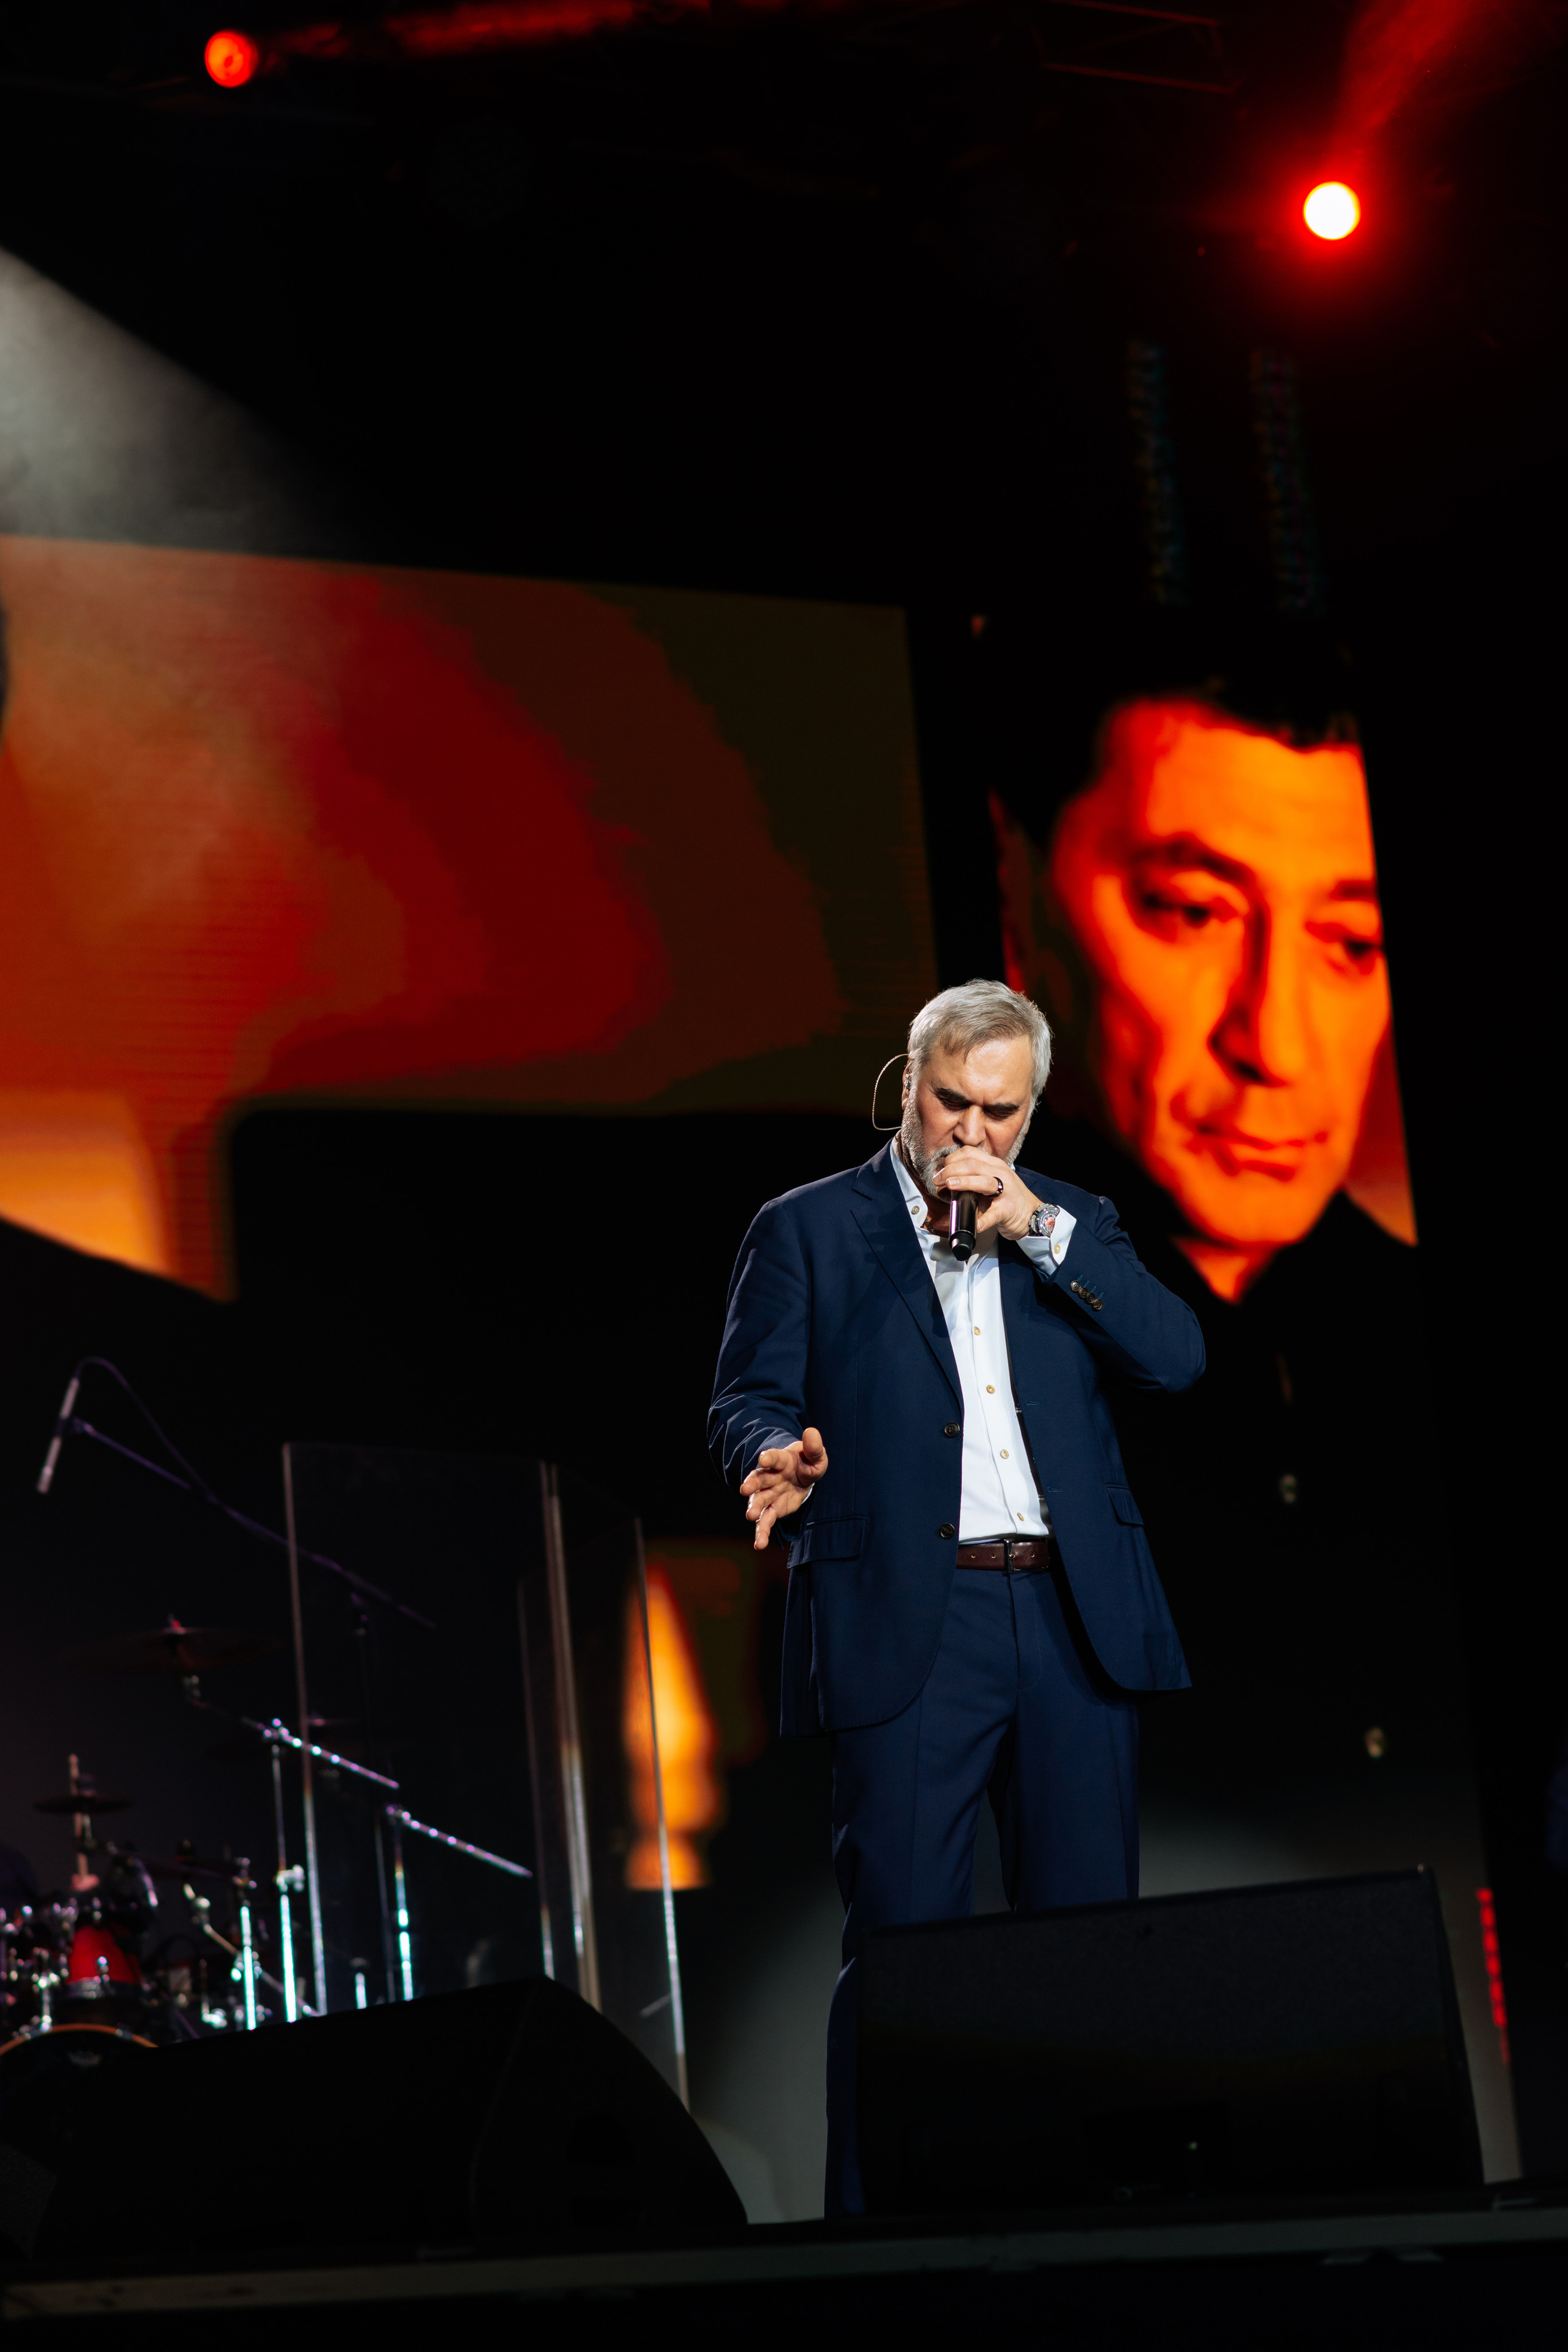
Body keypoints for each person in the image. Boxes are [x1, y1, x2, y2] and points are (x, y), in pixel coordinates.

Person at [708, 979, 1203, 2214]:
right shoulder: (809, 1227)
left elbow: (1176, 1359)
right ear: (905, 1087)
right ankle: (882, 2247)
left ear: (1028, 1112)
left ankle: (1098, 2223)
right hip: (905, 1619)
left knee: (1088, 1943)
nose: (971, 1137)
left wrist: (1038, 1231)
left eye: (1001, 1112)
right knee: (902, 1951)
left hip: (1068, 1617)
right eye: (949, 1105)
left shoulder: (1073, 1223)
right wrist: (774, 1452)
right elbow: (745, 1396)